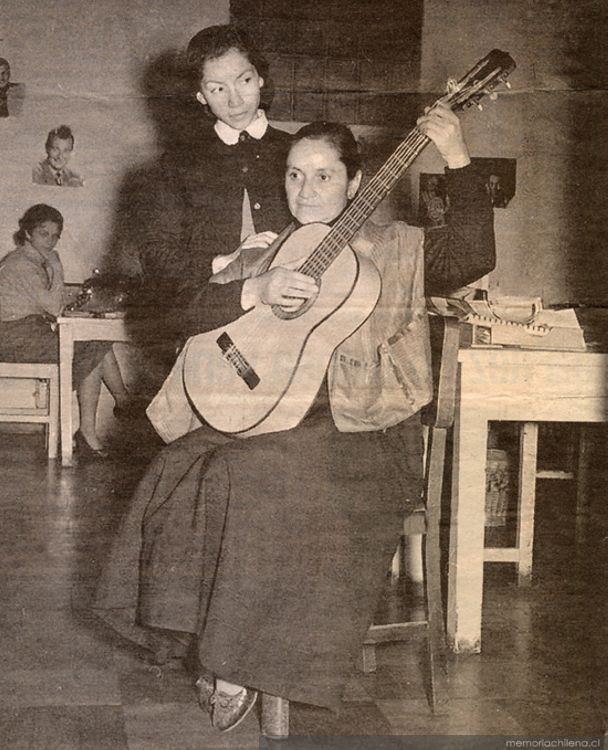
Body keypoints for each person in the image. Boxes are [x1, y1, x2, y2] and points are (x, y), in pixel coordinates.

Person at [93, 107, 495, 732]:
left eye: (323, 176)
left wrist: (459, 157)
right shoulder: (270, 247)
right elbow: (184, 314)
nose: (305, 191)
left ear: (355, 182)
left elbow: (472, 254)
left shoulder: (396, 247)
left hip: (363, 433)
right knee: (181, 460)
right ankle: (200, 635)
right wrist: (252, 289)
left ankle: (238, 663)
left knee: (246, 475)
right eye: (293, 177)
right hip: (274, 416)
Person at [112, 24, 292, 372]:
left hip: (291, 329)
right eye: (217, 88)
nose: (234, 99)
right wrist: (220, 263)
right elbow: (155, 253)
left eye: (243, 80)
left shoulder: (298, 152)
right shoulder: (176, 163)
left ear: (261, 79)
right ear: (200, 95)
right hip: (208, 328)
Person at [0, 204, 136, 458]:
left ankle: (117, 408)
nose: (50, 242)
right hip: (11, 338)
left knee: (96, 344)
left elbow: (51, 303)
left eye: (55, 236)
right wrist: (57, 266)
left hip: (22, 333)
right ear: (28, 233)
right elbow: (53, 306)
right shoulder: (22, 264)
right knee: (94, 347)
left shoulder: (29, 259)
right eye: (43, 234)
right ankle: (108, 416)